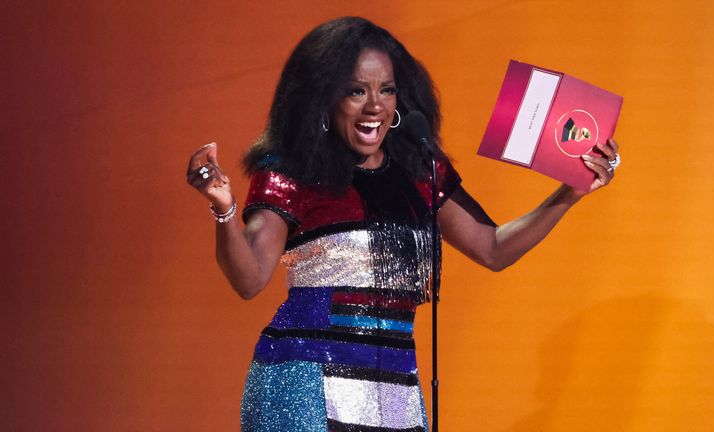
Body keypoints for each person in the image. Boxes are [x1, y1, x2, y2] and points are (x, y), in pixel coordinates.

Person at [186, 16, 619, 432]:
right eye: (356, 90)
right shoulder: (293, 171)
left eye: (386, 90)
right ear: (326, 97)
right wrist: (223, 208)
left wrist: (570, 193)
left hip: (393, 388)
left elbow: (493, 248)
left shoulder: (419, 169)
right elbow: (249, 279)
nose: (374, 105)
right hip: (305, 382)